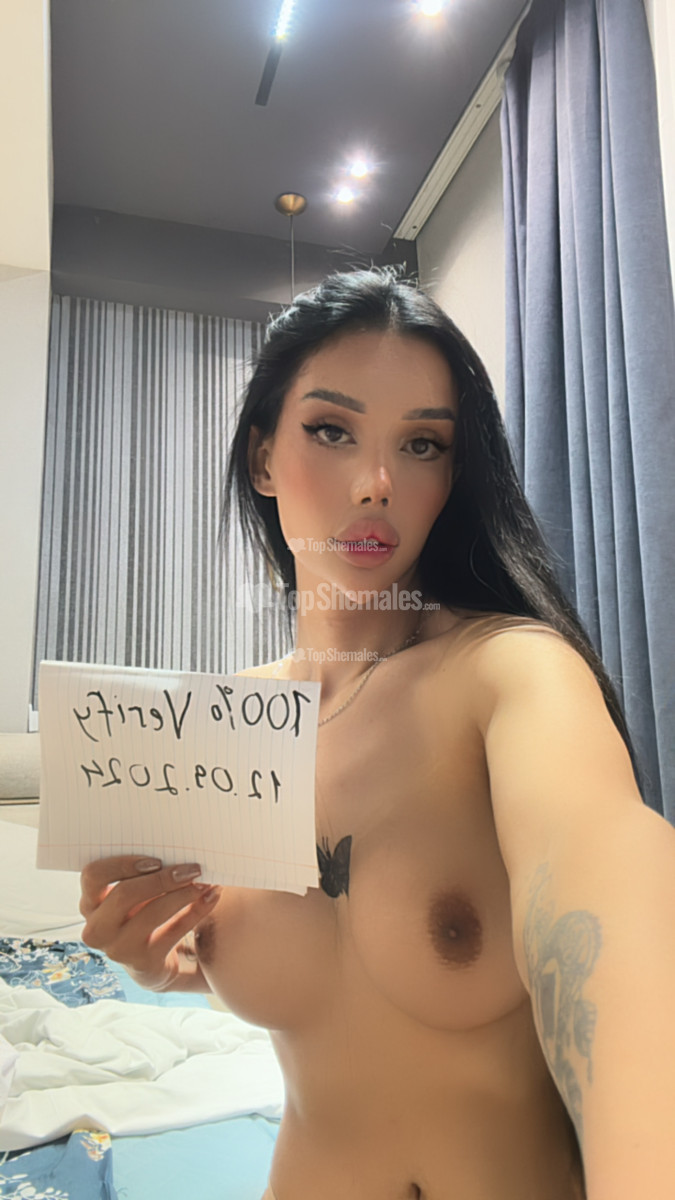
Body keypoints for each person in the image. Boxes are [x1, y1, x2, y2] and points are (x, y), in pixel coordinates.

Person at [80, 268, 675, 1200]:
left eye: (422, 444)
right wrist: (165, 959)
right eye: (331, 430)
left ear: (453, 476)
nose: (376, 484)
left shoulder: (508, 674)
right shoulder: (222, 727)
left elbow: (607, 913)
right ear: (262, 458)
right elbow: (329, 985)